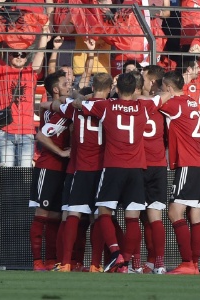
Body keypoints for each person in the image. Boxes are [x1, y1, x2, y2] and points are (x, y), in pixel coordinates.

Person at [72, 73, 159, 273]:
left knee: (103, 211)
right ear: (135, 89)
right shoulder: (143, 107)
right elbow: (162, 97)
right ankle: (125, 262)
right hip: (136, 169)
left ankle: (114, 253)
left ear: (116, 89)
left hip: (113, 167)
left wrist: (80, 97)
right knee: (133, 217)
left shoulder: (106, 106)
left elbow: (78, 104)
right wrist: (141, 97)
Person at [53, 72, 112, 273]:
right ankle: (95, 264)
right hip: (103, 169)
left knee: (73, 213)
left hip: (81, 168)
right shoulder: (110, 107)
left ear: (93, 86)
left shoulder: (75, 107)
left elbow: (57, 105)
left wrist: (78, 98)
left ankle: (66, 263)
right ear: (110, 88)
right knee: (98, 216)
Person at [159, 70, 200, 275]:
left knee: (174, 212)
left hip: (188, 163)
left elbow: (148, 103)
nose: (161, 92)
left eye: (162, 88)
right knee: (194, 213)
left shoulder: (174, 103)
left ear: (169, 89)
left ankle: (187, 262)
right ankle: (194, 264)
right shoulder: (191, 101)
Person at [0, 24, 50, 166]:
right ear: (9, 56)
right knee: (8, 174)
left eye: (23, 54)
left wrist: (44, 33)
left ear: (27, 58)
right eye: (15, 54)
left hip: (26, 131)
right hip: (4, 131)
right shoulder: (1, 70)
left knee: (24, 174)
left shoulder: (31, 72)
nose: (19, 57)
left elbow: (40, 52)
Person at [28, 71, 71, 271]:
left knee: (55, 216)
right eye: (65, 84)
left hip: (63, 170)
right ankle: (38, 261)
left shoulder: (62, 108)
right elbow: (41, 136)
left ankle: (52, 260)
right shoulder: (52, 113)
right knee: (42, 213)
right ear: (55, 89)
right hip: (48, 166)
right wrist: (62, 153)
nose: (69, 86)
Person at [139, 65, 168, 274]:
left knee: (135, 215)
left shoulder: (132, 102)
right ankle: (157, 262)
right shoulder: (165, 104)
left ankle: (135, 263)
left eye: (143, 77)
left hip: (137, 164)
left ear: (151, 82)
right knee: (153, 215)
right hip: (158, 164)